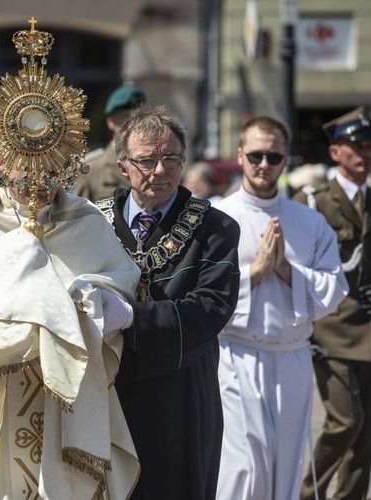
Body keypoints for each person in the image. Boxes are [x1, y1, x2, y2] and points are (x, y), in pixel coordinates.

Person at [0, 23, 141, 499]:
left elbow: (123, 288)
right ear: (1, 157)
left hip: (69, 401)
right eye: (25, 163)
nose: (37, 177)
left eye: (49, 165)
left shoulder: (86, 221)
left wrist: (97, 305)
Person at [95, 104, 241, 499]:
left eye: (171, 159)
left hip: (181, 392)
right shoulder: (93, 223)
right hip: (107, 388)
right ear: (123, 166)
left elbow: (211, 307)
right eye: (146, 160)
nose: (160, 171)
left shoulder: (215, 227)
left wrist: (133, 317)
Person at [213, 116, 348, 499]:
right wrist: (255, 272)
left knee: (284, 468)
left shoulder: (310, 222)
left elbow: (336, 288)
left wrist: (288, 270)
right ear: (240, 156)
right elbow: (200, 288)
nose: (264, 164)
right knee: (243, 468)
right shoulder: (217, 218)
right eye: (256, 154)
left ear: (285, 158)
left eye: (273, 156)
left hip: (291, 356)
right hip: (235, 355)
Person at [294, 108, 371, 499]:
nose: (366, 154)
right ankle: (308, 493)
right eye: (356, 146)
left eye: (370, 146)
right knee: (346, 421)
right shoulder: (313, 201)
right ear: (336, 151)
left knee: (366, 438)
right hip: (329, 331)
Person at [74, 84, 145, 203]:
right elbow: (80, 217)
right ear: (110, 121)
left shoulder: (155, 166)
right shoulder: (90, 169)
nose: (133, 124)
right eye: (126, 118)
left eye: (138, 118)